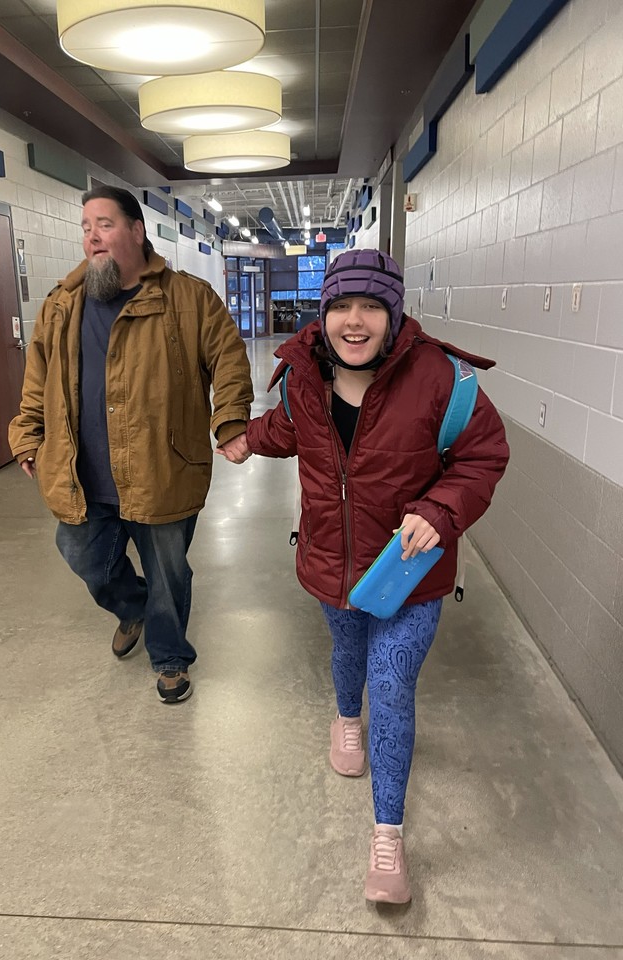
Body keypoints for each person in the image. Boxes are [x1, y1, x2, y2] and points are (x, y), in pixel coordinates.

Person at [218, 249, 509, 903]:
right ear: (323, 314)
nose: (354, 321)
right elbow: (286, 430)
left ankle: (387, 836)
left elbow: (484, 454)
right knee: (348, 654)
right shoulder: (302, 377)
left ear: (393, 313)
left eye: (371, 306)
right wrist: (246, 439)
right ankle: (346, 719)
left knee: (393, 684)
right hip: (332, 561)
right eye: (342, 306)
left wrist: (441, 510)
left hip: (408, 574)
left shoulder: (441, 379)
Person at [10, 185, 253, 704]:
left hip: (161, 464)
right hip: (84, 469)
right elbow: (38, 378)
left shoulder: (188, 298)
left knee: (168, 570)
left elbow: (229, 358)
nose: (92, 237)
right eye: (86, 228)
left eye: (104, 224)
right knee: (81, 553)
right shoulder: (62, 305)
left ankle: (169, 657)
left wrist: (230, 420)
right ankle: (132, 608)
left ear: (137, 231)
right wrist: (28, 433)